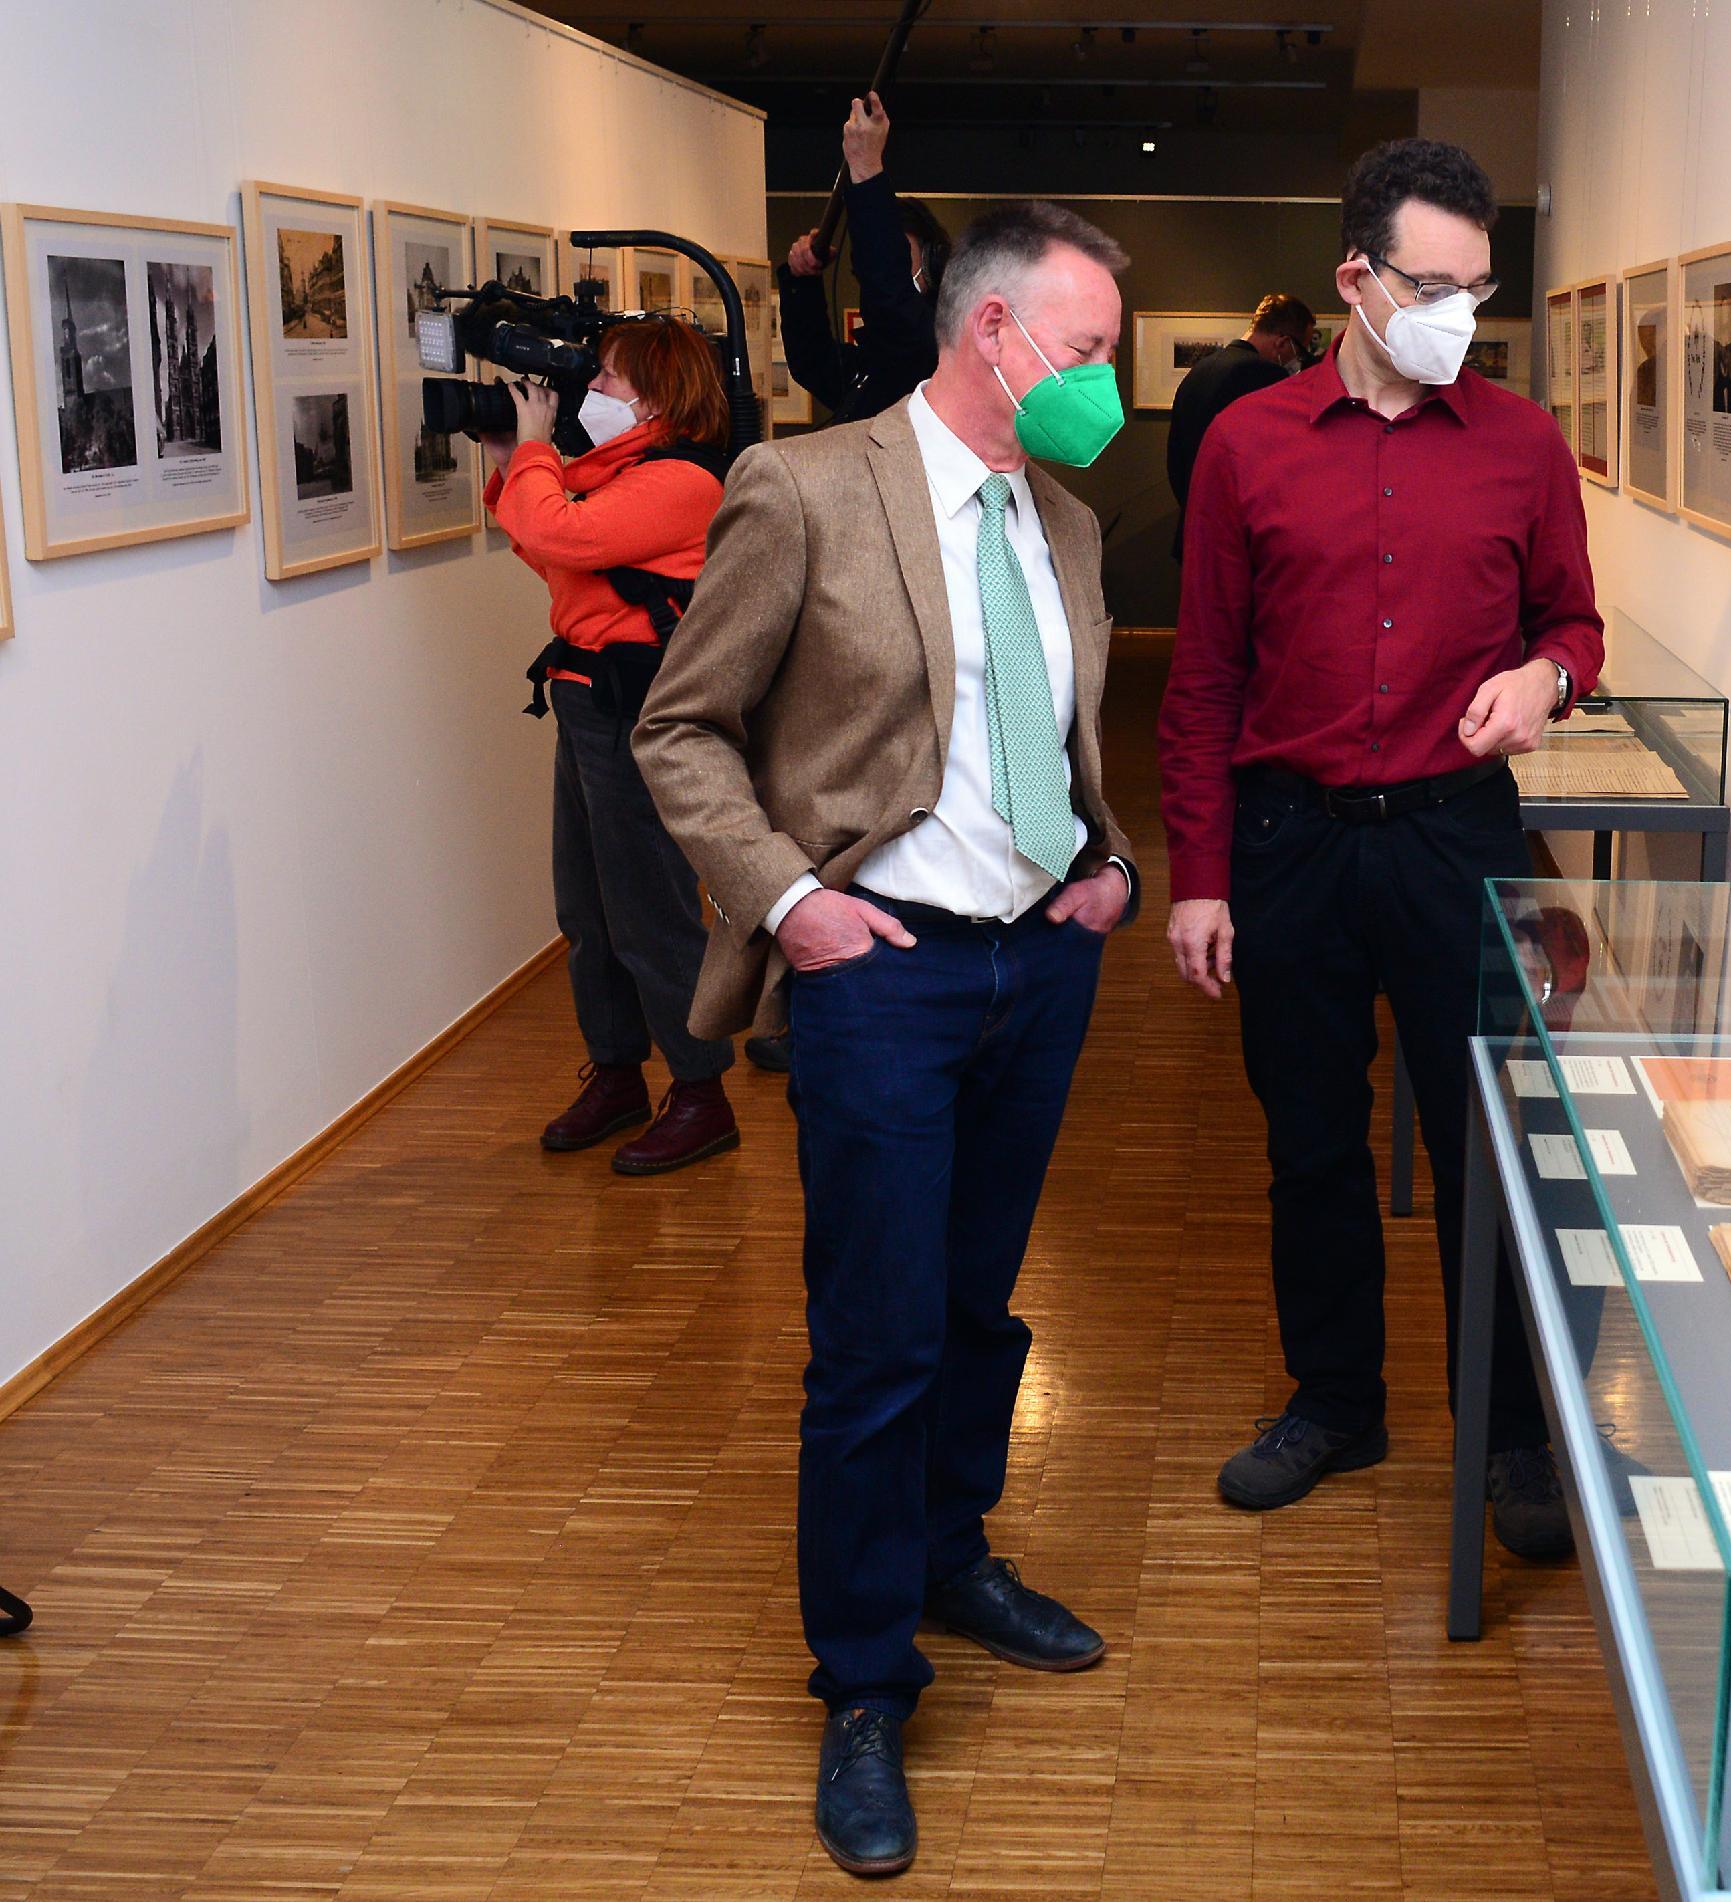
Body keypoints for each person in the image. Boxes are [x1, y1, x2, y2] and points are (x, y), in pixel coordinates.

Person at [635, 201, 1139, 1882]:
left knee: (977, 1301)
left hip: (1037, 970)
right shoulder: (804, 489)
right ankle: (862, 1678)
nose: (1107, 385)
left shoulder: (1063, 520)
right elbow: (683, 727)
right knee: (872, 1338)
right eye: (1086, 352)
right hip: (882, 972)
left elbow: (1055, 731)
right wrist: (793, 907)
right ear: (989, 334)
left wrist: (1110, 861)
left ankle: (949, 1551)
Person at [1158, 139, 1603, 1561]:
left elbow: (1575, 627)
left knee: (1489, 1146)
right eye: (1434, 284)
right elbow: (1204, 677)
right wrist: (1205, 871)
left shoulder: (1524, 445)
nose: (1461, 313)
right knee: (1309, 1141)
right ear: (1357, 280)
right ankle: (1339, 1398)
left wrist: (1549, 681)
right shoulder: (1250, 444)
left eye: (1480, 287)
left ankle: (1515, 1432)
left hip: (1454, 834)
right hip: (1292, 838)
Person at [479, 315, 739, 1176]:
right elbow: (552, 555)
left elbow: (562, 535)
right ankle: (620, 1072)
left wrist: (530, 449)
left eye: (608, 382)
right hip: (585, 699)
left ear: (660, 394)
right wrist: (509, 456)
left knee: (648, 910)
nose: (589, 393)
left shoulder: (680, 481)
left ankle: (701, 1093)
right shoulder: (616, 471)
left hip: (639, 714)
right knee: (586, 908)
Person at [755, 88, 951, 1080]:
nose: (888, 277)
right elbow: (826, 372)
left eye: (902, 261)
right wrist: (800, 285)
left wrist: (869, 185)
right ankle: (803, 981)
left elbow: (903, 320)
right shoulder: (886, 361)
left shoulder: (932, 351)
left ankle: (852, 977)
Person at [778, 91, 949, 428]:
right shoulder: (874, 366)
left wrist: (867, 169)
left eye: (898, 253)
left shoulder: (938, 347)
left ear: (932, 260)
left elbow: (889, 296)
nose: (885, 265)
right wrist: (802, 282)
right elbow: (812, 362)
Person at [1165, 292, 1315, 507]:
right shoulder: (1266, 375)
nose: (1298, 360)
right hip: (1237, 514)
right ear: (1283, 342)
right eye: (1300, 351)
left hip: (1192, 510)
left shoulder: (1200, 369)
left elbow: (1176, 456)